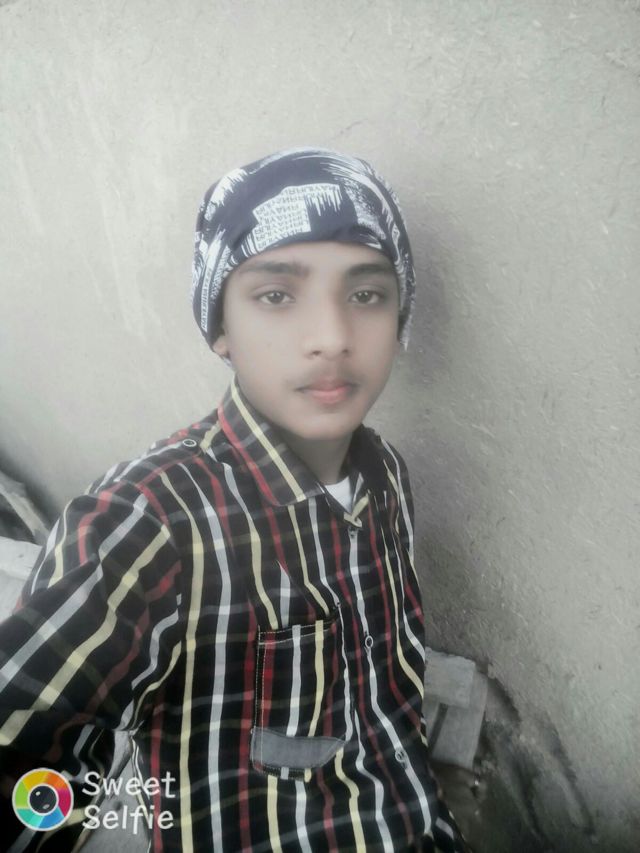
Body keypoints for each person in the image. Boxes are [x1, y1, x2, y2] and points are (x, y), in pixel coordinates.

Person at [0, 148, 470, 851]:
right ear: (220, 327)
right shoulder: (148, 522)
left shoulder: (385, 477)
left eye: (367, 294)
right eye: (276, 295)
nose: (332, 339)